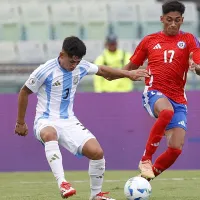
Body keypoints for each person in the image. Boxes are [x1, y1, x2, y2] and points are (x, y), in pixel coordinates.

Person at [14, 36, 149, 200]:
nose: (74, 66)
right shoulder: (45, 70)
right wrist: (20, 122)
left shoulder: (80, 67)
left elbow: (105, 72)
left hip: (69, 121)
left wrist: (128, 74)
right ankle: (63, 183)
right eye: (71, 61)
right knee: (50, 134)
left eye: (77, 62)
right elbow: (24, 92)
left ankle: (96, 195)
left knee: (97, 152)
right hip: (45, 120)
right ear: (61, 54)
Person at [123, 0, 200, 180]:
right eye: (169, 19)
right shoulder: (150, 41)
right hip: (154, 92)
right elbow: (130, 67)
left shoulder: (189, 39)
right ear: (161, 19)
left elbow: (197, 63)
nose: (173, 24)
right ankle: (146, 159)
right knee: (166, 112)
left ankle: (143, 181)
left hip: (179, 99)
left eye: (177, 20)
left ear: (182, 20)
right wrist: (113, 73)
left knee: (175, 149)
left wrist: (196, 67)